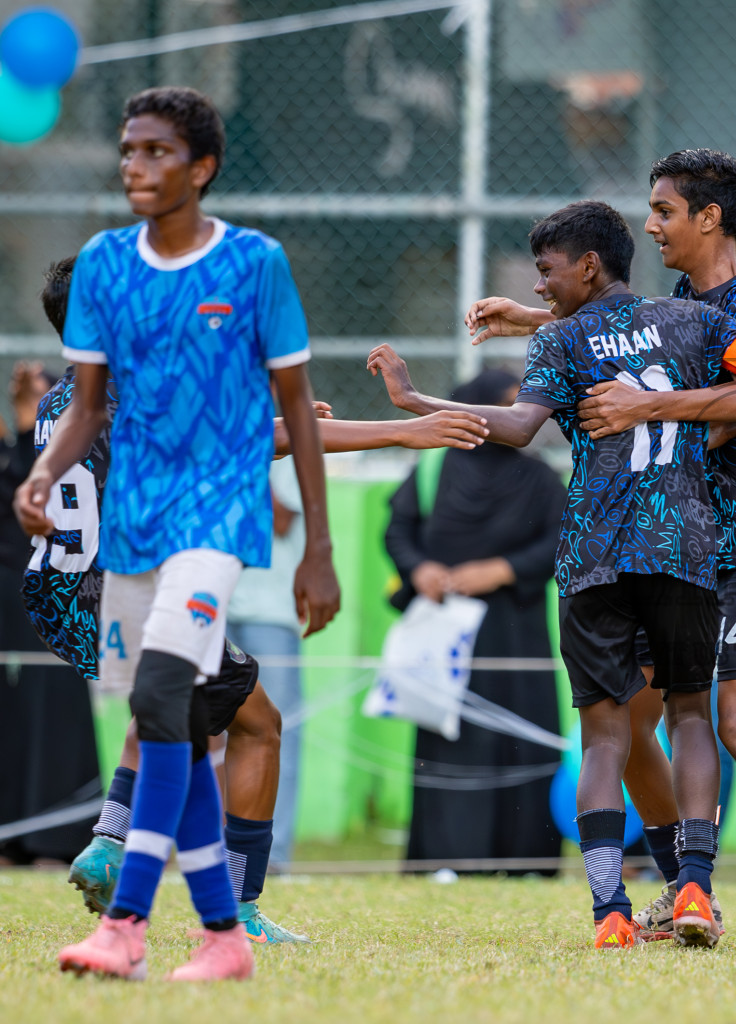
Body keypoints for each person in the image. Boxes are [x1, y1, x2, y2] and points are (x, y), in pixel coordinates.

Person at [367, 199, 736, 950]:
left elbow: (512, 429)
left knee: (604, 738)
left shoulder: (564, 342)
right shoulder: (695, 324)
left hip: (596, 558)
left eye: (546, 270)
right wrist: (682, 400)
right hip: (685, 550)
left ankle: (611, 913)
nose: (540, 286)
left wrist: (416, 402)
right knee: (690, 715)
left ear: (589, 266)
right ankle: (695, 888)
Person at [29, 254, 487, 945]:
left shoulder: (61, 397)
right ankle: (224, 908)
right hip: (131, 587)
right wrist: (404, 430)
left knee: (177, 711)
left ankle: (117, 848)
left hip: (62, 593)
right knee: (258, 725)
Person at [13, 87, 342, 983]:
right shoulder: (104, 268)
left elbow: (294, 415)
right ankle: (227, 934)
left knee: (166, 701)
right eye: (127, 150)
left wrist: (317, 546)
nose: (134, 166)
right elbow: (85, 408)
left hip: (211, 523)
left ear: (201, 168)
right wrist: (41, 472)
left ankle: (124, 924)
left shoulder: (255, 263)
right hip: (131, 535)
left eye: (155, 151)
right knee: (171, 725)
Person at [513, 149, 736, 950]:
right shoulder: (681, 299)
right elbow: (635, 343)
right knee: (632, 719)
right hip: (685, 543)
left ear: (709, 218)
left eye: (664, 210)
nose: (652, 223)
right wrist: (538, 319)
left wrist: (650, 406)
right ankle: (686, 889)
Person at [385, 368, 567, 868]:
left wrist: (502, 570)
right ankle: (445, 858)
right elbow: (398, 529)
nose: (515, 422)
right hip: (445, 632)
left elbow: (562, 541)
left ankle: (525, 862)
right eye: (504, 409)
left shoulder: (539, 477)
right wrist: (419, 570)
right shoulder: (431, 470)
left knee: (520, 736)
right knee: (451, 739)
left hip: (514, 630)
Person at [0, 357, 99, 868]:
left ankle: (58, 839)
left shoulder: (61, 414)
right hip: (38, 587)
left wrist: (23, 426)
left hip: (49, 585)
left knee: (54, 709)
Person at [226, 454, 305, 870]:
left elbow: (281, 517)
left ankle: (271, 858)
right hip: (212, 599)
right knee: (209, 735)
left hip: (268, 610)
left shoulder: (282, 438)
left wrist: (241, 453)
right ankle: (214, 854)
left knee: (274, 732)